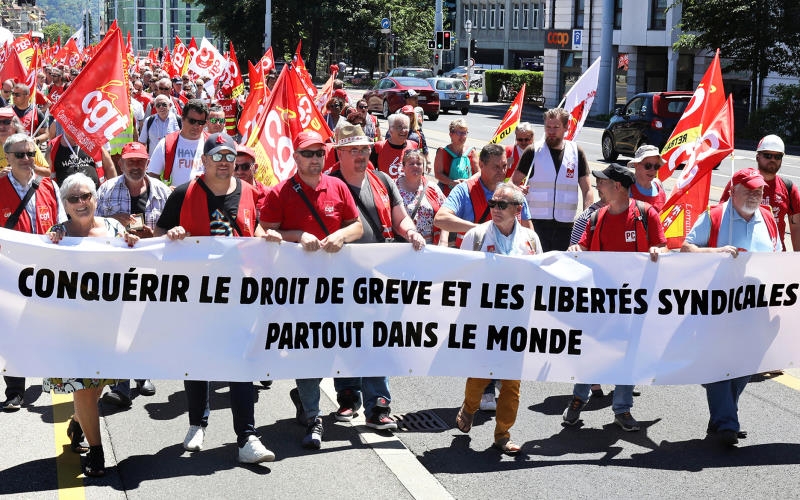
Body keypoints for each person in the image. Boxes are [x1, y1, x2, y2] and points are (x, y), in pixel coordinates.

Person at [154, 132, 275, 463]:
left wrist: (269, 237)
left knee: (241, 365)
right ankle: (196, 423)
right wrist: (173, 235)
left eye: (229, 157)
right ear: (203, 161)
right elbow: (159, 235)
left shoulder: (248, 192)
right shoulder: (183, 193)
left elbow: (256, 231)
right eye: (216, 156)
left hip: (240, 295)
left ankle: (247, 437)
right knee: (196, 361)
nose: (223, 162)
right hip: (197, 295)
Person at [260, 130, 363, 449]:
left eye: (319, 154)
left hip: (337, 286)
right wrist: (296, 235)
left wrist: (342, 236)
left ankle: (305, 395)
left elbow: (357, 226)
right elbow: (262, 230)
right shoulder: (279, 192)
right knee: (308, 350)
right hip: (297, 289)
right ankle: (315, 416)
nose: (315, 159)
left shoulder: (338, 186)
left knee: (331, 349)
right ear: (295, 157)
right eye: (308, 154)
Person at [43, 172, 140, 477]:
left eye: (87, 196)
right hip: (72, 327)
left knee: (96, 387)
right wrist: (51, 244)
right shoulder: (58, 234)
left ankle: (77, 423)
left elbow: (134, 265)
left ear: (96, 198)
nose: (81, 203)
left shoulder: (113, 228)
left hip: (108, 326)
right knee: (85, 389)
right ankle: (97, 454)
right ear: (65, 204)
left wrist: (132, 243)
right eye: (74, 198)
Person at [563, 164, 667, 432]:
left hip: (634, 301)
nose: (598, 186)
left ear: (617, 187)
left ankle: (622, 408)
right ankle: (578, 398)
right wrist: (577, 247)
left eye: (603, 182)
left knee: (628, 355)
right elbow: (583, 244)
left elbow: (663, 247)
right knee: (593, 351)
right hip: (601, 300)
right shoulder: (597, 217)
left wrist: (658, 250)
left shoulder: (646, 214)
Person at [681, 167, 779, 446]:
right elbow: (686, 249)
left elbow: (778, 256)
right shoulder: (714, 216)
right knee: (718, 362)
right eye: (749, 189)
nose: (756, 194)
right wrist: (716, 252)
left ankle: (724, 415)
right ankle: (727, 422)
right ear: (733, 190)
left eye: (759, 189)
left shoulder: (769, 219)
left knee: (745, 364)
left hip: (755, 306)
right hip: (717, 306)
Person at [455, 182, 541, 455]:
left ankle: (502, 433)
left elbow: (539, 277)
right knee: (481, 374)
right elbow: (461, 275)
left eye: (502, 205)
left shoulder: (530, 239)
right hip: (484, 320)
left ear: (518, 209)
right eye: (492, 203)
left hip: (517, 322)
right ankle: (469, 408)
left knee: (512, 383)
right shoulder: (477, 236)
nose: (495, 209)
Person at [95, 141, 171, 407]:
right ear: (121, 163)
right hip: (117, 270)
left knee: (145, 326)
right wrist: (113, 222)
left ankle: (143, 373)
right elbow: (92, 228)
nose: (135, 166)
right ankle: (121, 383)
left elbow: (175, 231)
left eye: (140, 161)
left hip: (151, 270)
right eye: (130, 161)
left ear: (148, 163)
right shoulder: (105, 191)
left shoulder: (163, 192)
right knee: (118, 326)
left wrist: (155, 237)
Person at [0, 133, 67, 412]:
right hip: (10, 273)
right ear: (8, 158)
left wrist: (59, 231)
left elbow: (63, 222)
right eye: (20, 155)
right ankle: (15, 390)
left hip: (46, 273)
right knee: (13, 331)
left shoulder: (48, 186)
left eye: (31, 153)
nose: (27, 159)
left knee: (50, 327)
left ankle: (56, 379)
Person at [511, 108, 595, 252]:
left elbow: (587, 190)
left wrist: (587, 218)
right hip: (536, 225)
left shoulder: (576, 152)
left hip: (566, 226)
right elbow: (511, 183)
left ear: (566, 128)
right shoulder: (533, 151)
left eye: (556, 127)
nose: (551, 131)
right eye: (548, 127)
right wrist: (516, 190)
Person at [434, 143, 533, 248]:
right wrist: (481, 229)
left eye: (504, 166)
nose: (502, 171)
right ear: (481, 165)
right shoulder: (464, 190)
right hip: (472, 259)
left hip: (505, 260)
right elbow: (440, 219)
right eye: (496, 167)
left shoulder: (514, 194)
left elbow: (529, 234)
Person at [719, 134, 800, 252]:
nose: (773, 159)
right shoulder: (739, 183)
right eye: (767, 155)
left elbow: (796, 227)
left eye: (778, 156)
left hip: (775, 256)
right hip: (740, 255)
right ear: (757, 157)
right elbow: (720, 216)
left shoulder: (788, 188)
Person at [147, 99, 208, 187]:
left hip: (204, 199)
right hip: (176, 199)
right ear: (182, 118)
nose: (196, 126)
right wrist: (165, 190)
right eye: (192, 121)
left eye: (201, 122)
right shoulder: (166, 143)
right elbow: (152, 174)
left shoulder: (211, 143)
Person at [395, 149, 447, 244]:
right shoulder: (393, 187)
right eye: (411, 164)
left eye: (419, 164)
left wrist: (443, 241)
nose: (415, 166)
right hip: (401, 245)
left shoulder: (433, 188)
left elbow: (446, 214)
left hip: (427, 247)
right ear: (403, 167)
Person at [433, 118, 479, 196]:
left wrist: (468, 181)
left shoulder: (472, 152)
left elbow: (479, 173)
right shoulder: (442, 152)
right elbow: (437, 174)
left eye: (464, 133)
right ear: (451, 134)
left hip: (467, 193)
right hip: (447, 195)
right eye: (459, 133)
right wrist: (452, 182)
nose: (462, 136)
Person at [370, 113, 418, 180]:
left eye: (406, 127)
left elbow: (419, 173)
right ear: (390, 130)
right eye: (399, 127)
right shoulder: (379, 147)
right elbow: (370, 172)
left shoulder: (414, 146)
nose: (403, 131)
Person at [628, 145, 667, 212]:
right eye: (648, 166)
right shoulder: (627, 188)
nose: (652, 170)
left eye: (656, 166)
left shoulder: (658, 185)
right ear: (636, 164)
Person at [235, 144, 269, 213]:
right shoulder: (224, 193)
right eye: (235, 167)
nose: (239, 171)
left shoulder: (268, 195)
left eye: (245, 166)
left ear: (255, 168)